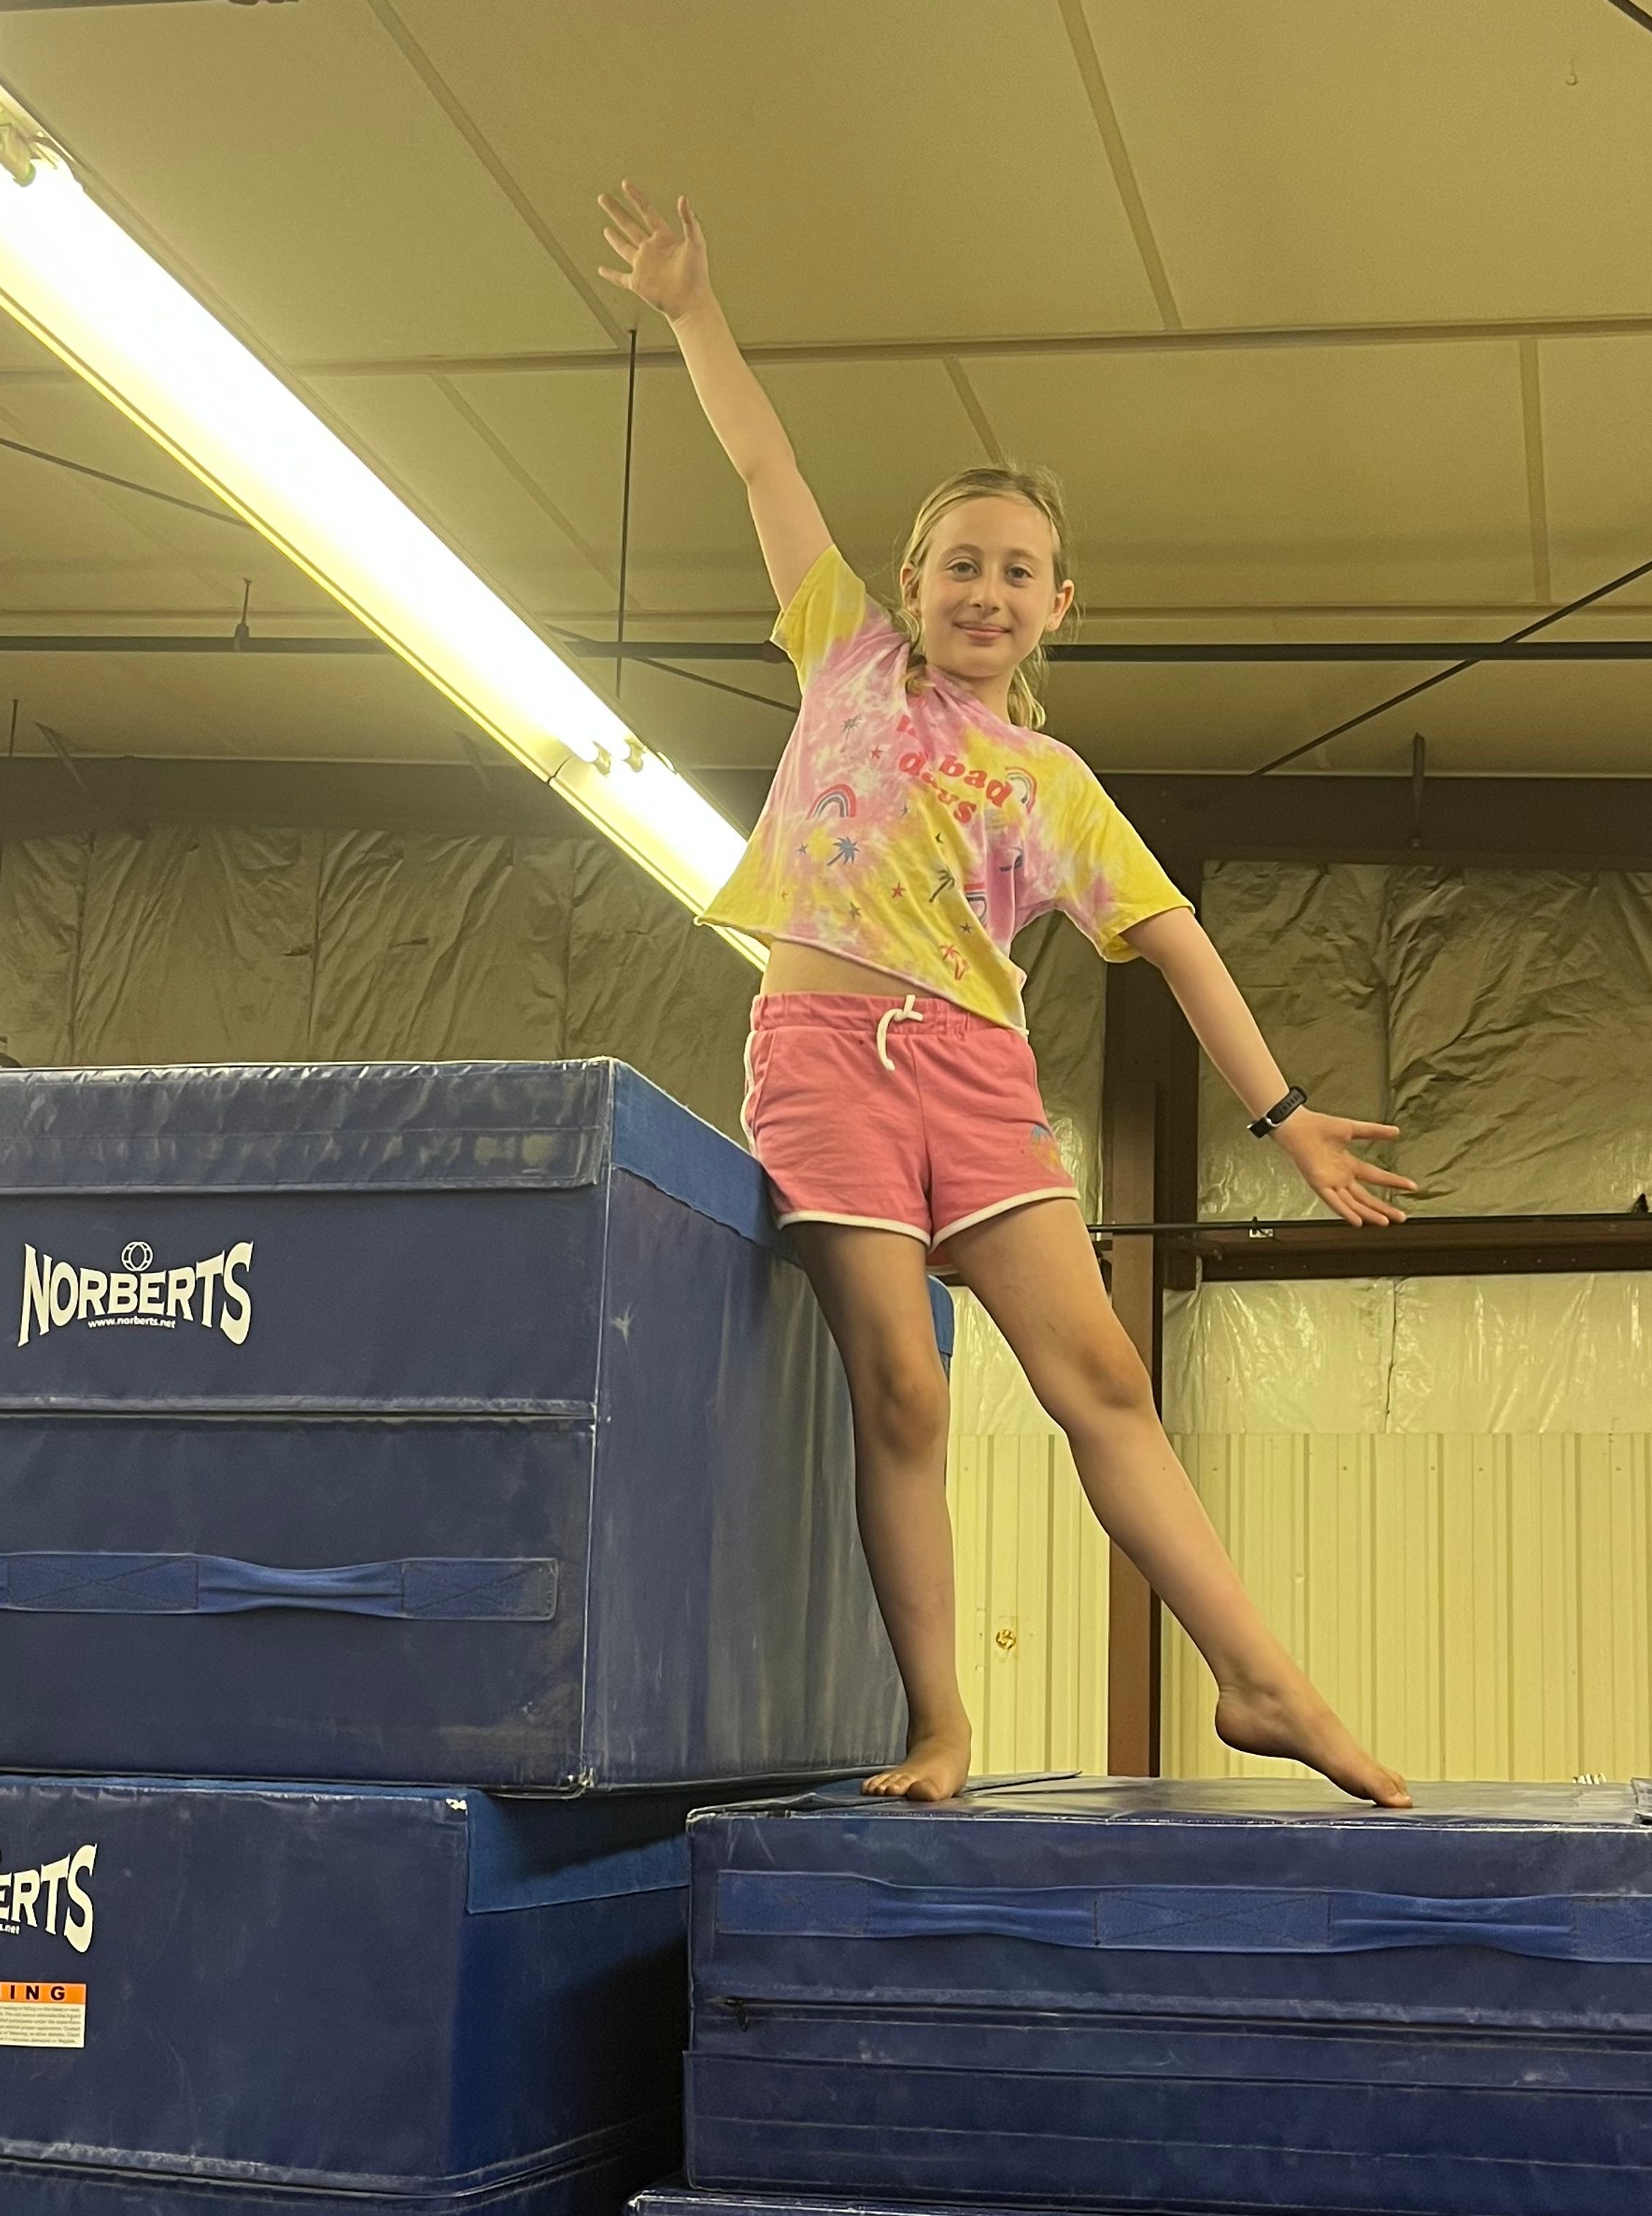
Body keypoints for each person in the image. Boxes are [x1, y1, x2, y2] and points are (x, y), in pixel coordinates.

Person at [601, 185, 1414, 1809]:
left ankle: (1261, 1679)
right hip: (827, 1057)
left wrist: (1284, 1113)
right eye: (961, 561)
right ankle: (941, 1723)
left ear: (1059, 607)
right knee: (902, 1383)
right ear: (911, 577)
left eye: (1018, 571)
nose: (985, 588)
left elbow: (1178, 941)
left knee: (1102, 1377)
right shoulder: (841, 654)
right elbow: (764, 461)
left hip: (975, 1079)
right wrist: (694, 308)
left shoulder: (1053, 782)